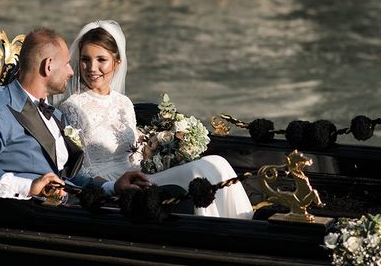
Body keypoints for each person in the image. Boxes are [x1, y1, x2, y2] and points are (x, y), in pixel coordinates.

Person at [58, 20, 254, 219]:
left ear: (117, 63)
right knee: (198, 171)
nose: (92, 67)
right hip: (113, 184)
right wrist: (111, 186)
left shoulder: (124, 102)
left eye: (101, 60)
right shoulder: (72, 107)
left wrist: (155, 153)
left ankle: (240, 222)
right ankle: (212, 230)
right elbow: (77, 166)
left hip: (139, 175)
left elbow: (133, 155)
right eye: (85, 59)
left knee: (217, 163)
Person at [0, 27, 153, 203]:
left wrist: (112, 187)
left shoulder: (55, 114)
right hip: (30, 216)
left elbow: (66, 177)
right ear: (48, 66)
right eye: (66, 64)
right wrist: (29, 187)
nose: (71, 72)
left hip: (70, 207)